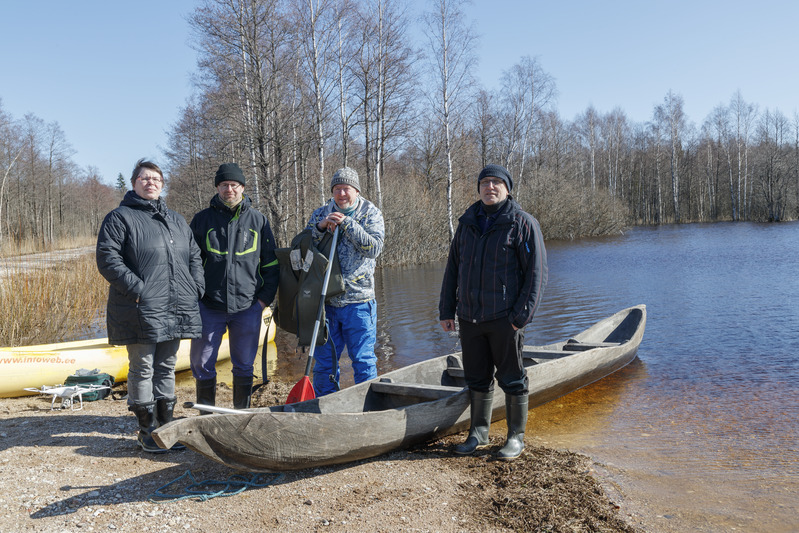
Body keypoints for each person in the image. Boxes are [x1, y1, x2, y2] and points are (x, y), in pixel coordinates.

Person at [439, 164, 547, 460]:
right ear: (479, 189)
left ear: (507, 189)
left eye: (497, 182)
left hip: (505, 319)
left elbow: (536, 274)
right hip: (470, 317)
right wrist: (447, 309)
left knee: (512, 378)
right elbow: (453, 270)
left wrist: (519, 318)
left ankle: (515, 437)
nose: (490, 187)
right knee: (477, 377)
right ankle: (478, 433)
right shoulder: (467, 223)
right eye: (485, 182)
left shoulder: (522, 223)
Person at [96, 159, 205, 453]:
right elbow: (108, 259)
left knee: (167, 366)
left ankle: (167, 427)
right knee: (143, 367)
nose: (150, 183)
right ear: (134, 183)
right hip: (140, 306)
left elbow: (194, 256)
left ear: (162, 184)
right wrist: (140, 290)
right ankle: (147, 430)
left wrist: (196, 286)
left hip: (176, 304)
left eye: (156, 179)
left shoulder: (177, 220)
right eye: (144, 178)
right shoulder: (120, 218)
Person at [189, 163, 279, 410]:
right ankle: (206, 417)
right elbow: (188, 263)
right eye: (224, 184)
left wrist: (262, 302)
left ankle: (240, 416)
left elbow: (271, 265)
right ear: (217, 187)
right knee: (202, 363)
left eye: (234, 185)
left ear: (242, 187)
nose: (230, 189)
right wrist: (196, 299)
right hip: (209, 306)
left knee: (244, 364)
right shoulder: (201, 220)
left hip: (247, 306)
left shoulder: (258, 221)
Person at [305, 167, 385, 396]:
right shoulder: (320, 213)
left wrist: (348, 225)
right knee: (325, 364)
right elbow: (304, 250)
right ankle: (326, 406)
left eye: (346, 189)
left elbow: (374, 249)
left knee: (363, 360)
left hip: (360, 302)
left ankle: (366, 405)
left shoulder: (371, 213)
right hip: (326, 302)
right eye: (337, 189)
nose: (341, 194)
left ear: (356, 191)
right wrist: (320, 229)